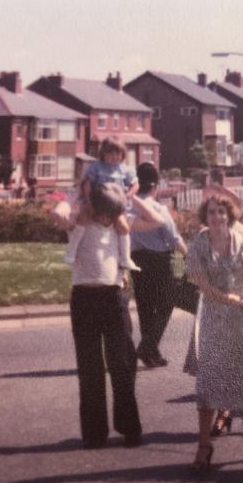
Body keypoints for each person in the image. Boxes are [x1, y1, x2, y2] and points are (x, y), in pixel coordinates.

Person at [185, 187, 243, 473]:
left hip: (242, 319)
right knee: (209, 380)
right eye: (211, 212)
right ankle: (204, 445)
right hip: (214, 318)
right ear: (205, 216)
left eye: (221, 212)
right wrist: (228, 298)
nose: (216, 216)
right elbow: (202, 284)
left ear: (230, 215)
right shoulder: (199, 244)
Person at [64, 183, 142, 448]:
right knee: (90, 368)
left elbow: (143, 224)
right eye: (104, 212)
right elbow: (61, 213)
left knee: (121, 363)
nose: (107, 218)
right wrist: (78, 207)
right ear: (94, 206)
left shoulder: (118, 227)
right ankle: (95, 432)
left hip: (113, 298)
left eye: (113, 213)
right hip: (84, 298)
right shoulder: (80, 222)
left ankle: (129, 427)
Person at [63, 136, 155, 272]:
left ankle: (125, 258)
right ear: (103, 154)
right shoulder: (96, 167)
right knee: (82, 219)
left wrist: (126, 196)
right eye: (110, 153)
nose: (114, 157)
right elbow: (87, 184)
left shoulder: (126, 170)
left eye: (118, 154)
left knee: (124, 227)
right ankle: (72, 250)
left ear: (123, 155)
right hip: (96, 202)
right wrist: (89, 201)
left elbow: (135, 185)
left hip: (115, 205)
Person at [130, 163, 187, 369]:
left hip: (136, 260)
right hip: (159, 261)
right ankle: (147, 346)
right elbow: (173, 239)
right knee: (166, 303)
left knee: (145, 308)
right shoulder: (158, 209)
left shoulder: (129, 209)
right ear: (154, 187)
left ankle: (152, 353)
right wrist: (188, 255)